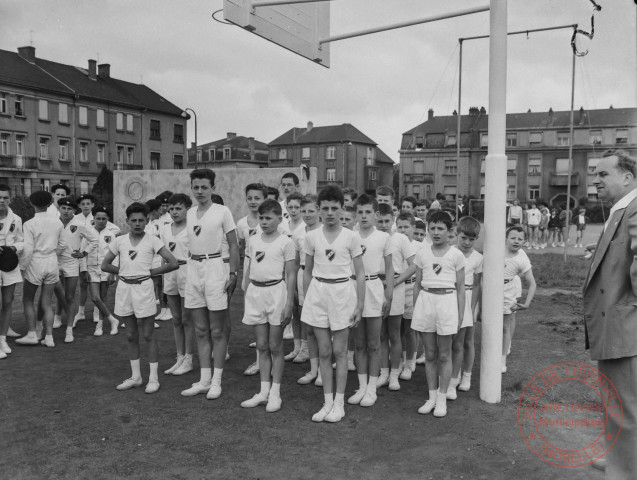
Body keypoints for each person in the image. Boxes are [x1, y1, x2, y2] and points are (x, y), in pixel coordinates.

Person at [583, 149, 637, 479]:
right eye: (595, 174)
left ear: (627, 177)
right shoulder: (623, 210)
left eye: (603, 174)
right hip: (617, 323)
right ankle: (620, 456)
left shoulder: (633, 210)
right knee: (617, 402)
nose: (596, 180)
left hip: (625, 325)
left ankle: (624, 471)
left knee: (624, 407)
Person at [302, 185, 365, 423]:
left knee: (339, 351)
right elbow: (307, 271)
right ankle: (327, 402)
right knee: (324, 351)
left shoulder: (351, 237)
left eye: (334, 208)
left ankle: (339, 403)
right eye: (325, 208)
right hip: (318, 294)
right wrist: (309, 299)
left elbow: (360, 273)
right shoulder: (310, 237)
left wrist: (359, 305)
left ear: (342, 209)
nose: (330, 213)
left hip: (342, 294)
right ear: (318, 210)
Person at [102, 202, 179, 394]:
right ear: (127, 221)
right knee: (130, 335)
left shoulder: (153, 240)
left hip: (144, 289)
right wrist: (124, 271)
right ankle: (136, 377)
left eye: (141, 220)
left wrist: (150, 271)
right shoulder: (119, 241)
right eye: (133, 220)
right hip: (124, 289)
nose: (137, 223)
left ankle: (153, 378)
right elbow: (105, 265)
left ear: (147, 221)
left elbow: (173, 262)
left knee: (148, 334)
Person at [398, 209, 465, 418]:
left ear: (449, 231)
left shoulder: (456, 255)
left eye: (440, 229)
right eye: (432, 228)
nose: (436, 232)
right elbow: (417, 284)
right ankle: (432, 396)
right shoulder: (422, 253)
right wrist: (418, 309)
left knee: (444, 354)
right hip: (426, 302)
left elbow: (461, 289)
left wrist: (460, 315)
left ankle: (443, 398)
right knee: (430, 353)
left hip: (447, 303)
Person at [181, 169, 239, 400]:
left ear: (213, 188)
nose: (200, 191)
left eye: (205, 187)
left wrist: (233, 273)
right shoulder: (190, 213)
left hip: (216, 269)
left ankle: (216, 381)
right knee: (201, 330)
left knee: (217, 330)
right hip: (193, 270)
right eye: (196, 187)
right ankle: (204, 380)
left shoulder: (223, 211)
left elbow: (234, 245)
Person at [240, 199, 295, 412]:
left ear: (280, 219)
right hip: (256, 292)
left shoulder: (286, 242)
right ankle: (263, 391)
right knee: (261, 345)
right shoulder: (253, 240)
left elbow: (290, 275)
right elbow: (250, 265)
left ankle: (275, 393)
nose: (263, 221)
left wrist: (289, 302)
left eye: (268, 218)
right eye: (261, 218)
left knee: (275, 345)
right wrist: (247, 291)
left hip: (276, 294)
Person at [347, 194, 392, 408]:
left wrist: (389, 293)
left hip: (374, 288)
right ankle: (362, 386)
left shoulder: (383, 238)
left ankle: (372, 388)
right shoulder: (350, 236)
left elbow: (390, 268)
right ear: (355, 215)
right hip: (353, 288)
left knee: (374, 342)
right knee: (358, 343)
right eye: (360, 212)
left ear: (376, 215)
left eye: (368, 213)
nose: (363, 216)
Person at [15, 191, 64, 347]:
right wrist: (51, 254)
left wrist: (22, 267)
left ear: (31, 203)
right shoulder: (58, 222)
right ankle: (49, 337)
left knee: (27, 299)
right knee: (47, 302)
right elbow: (62, 245)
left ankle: (32, 335)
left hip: (36, 263)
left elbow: (28, 250)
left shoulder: (29, 224)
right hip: (52, 262)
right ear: (50, 203)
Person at [376, 206, 414, 391]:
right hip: (375, 287)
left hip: (396, 287)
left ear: (393, 220)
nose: (383, 225)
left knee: (394, 333)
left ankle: (394, 375)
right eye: (380, 221)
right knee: (381, 334)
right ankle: (383, 373)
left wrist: (396, 282)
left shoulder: (400, 238)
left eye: (387, 221)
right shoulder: (372, 237)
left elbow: (414, 265)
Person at [160, 194, 195, 376]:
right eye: (171, 208)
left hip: (187, 271)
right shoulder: (165, 229)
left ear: (188, 209)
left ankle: (189, 358)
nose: (174, 212)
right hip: (170, 272)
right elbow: (162, 254)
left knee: (187, 319)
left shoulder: (192, 228)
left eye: (178, 208)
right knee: (176, 318)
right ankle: (179, 357)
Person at [449, 216, 482, 396]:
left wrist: (472, 307)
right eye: (464, 238)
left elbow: (477, 284)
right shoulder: (450, 252)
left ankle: (466, 375)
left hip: (468, 298)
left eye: (472, 239)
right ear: (456, 234)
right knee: (452, 341)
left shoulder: (478, 258)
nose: (467, 242)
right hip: (450, 296)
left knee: (467, 341)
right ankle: (454, 374)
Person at [58, 197, 98, 343]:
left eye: (69, 209)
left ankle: (69, 329)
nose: (66, 211)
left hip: (71, 262)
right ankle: (51, 322)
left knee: (69, 296)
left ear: (74, 210)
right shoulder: (53, 223)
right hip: (54, 261)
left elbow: (95, 239)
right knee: (53, 293)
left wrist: (84, 253)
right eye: (63, 208)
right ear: (59, 208)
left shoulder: (80, 224)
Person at [294, 195, 323, 383]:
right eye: (303, 211)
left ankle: (323, 370)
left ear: (319, 210)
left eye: (311, 211)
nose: (307, 215)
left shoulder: (324, 231)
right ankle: (313, 369)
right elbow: (297, 262)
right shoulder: (298, 232)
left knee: (323, 329)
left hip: (321, 280)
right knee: (309, 328)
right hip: (304, 276)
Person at [501, 225, 536, 373]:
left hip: (509, 288)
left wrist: (527, 304)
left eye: (520, 239)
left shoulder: (521, 258)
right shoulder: (497, 249)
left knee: (506, 324)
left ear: (524, 241)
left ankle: (502, 358)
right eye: (513, 238)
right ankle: (498, 347)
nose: (516, 241)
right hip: (491, 288)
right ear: (506, 239)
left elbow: (532, 283)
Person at [0, 184, 23, 357]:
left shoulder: (16, 219)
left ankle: (2, 339)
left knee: (8, 301)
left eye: (5, 198)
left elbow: (22, 240)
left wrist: (14, 248)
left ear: (10, 199)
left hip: (9, 264)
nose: (2, 201)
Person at [92, 206, 121, 336]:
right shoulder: (88, 232)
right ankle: (113, 319)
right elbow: (82, 252)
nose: (101, 221)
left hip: (105, 269)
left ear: (108, 219)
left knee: (103, 297)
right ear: (93, 218)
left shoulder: (111, 235)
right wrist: (83, 271)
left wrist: (112, 272)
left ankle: (100, 325)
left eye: (104, 218)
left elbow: (115, 254)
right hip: (91, 269)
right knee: (95, 297)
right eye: (98, 218)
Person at [72, 194, 96, 326]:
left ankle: (96, 312)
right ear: (79, 206)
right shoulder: (75, 219)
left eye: (88, 203)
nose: (86, 206)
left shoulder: (96, 217)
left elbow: (114, 229)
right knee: (82, 283)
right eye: (83, 204)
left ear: (92, 205)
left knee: (95, 283)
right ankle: (81, 312)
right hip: (80, 254)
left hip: (93, 253)